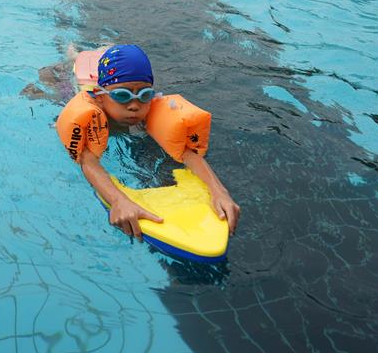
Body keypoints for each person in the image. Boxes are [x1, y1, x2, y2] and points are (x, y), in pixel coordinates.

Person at [55, 44, 240, 240]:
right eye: (122, 96)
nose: (134, 105)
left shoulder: (148, 111)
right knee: (69, 64)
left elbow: (186, 152)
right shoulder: (93, 116)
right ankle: (72, 52)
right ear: (100, 98)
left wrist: (219, 192)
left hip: (109, 74)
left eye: (145, 95)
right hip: (78, 81)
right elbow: (87, 159)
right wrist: (119, 201)